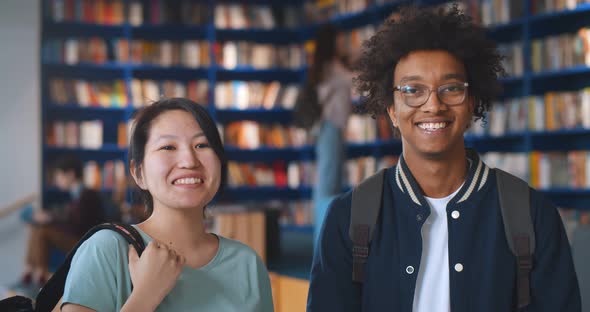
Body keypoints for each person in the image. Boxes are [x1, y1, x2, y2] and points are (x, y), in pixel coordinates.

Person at [307, 5, 581, 312]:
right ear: (392, 111)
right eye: (413, 90)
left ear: (472, 103)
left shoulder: (533, 216)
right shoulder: (347, 217)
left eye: (451, 88)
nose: (433, 105)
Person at [61, 98, 274, 312]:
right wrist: (145, 296)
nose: (189, 161)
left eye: (202, 145)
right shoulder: (107, 250)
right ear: (138, 173)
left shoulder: (248, 263)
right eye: (168, 147)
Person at [14, 154, 104, 293]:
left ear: (70, 174)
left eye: (59, 176)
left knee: (42, 230)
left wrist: (50, 219)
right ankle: (32, 273)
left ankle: (38, 276)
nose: (57, 181)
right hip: (79, 237)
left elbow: (77, 225)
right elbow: (71, 218)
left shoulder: (87, 194)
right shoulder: (79, 194)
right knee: (37, 227)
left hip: (86, 241)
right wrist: (50, 218)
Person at [311, 24, 354, 242]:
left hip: (328, 128)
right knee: (328, 184)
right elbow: (355, 80)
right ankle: (323, 237)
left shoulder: (322, 67)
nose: (342, 43)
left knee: (328, 182)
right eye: (339, 39)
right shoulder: (333, 67)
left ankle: (324, 235)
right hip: (331, 128)